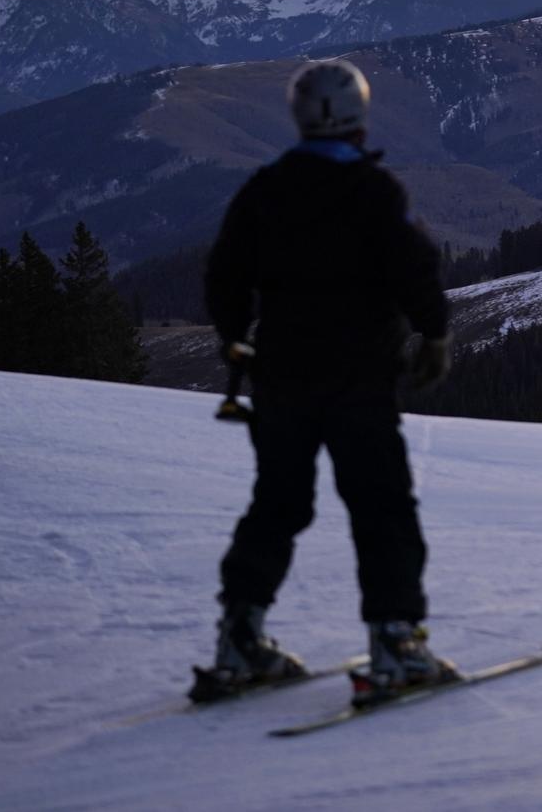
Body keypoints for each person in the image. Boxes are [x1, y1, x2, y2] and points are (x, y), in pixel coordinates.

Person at [192, 58, 455, 704]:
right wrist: (435, 332)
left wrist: (235, 335)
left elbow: (224, 273)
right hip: (359, 378)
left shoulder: (266, 188)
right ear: (360, 114)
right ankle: (394, 644)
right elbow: (414, 267)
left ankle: (239, 639)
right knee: (381, 506)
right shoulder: (374, 191)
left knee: (277, 505)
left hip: (280, 376)